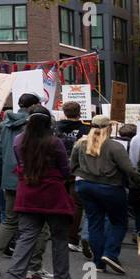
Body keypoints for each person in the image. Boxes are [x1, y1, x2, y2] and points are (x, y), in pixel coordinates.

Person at [2, 107, 77, 279]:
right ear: (48, 123)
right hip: (53, 194)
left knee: (27, 236)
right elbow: (65, 170)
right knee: (59, 238)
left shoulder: (19, 141)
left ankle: (15, 275)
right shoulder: (55, 142)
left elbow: (20, 164)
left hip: (28, 191)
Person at [0, 94, 47, 277]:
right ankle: (34, 266)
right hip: (29, 178)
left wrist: (0, 178)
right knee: (40, 224)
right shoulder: (35, 124)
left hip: (9, 178)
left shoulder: (5, 124)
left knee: (9, 220)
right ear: (34, 105)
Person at [70, 114, 140, 275]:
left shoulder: (80, 144)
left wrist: (81, 174)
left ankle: (98, 262)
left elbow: (71, 165)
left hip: (85, 186)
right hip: (110, 187)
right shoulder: (115, 146)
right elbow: (128, 169)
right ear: (109, 127)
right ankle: (110, 254)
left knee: (95, 222)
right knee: (118, 222)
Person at [55, 101, 92, 255]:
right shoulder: (86, 128)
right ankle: (72, 237)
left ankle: (58, 233)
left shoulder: (55, 127)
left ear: (64, 112)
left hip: (57, 167)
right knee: (77, 204)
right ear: (79, 112)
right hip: (77, 168)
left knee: (58, 201)